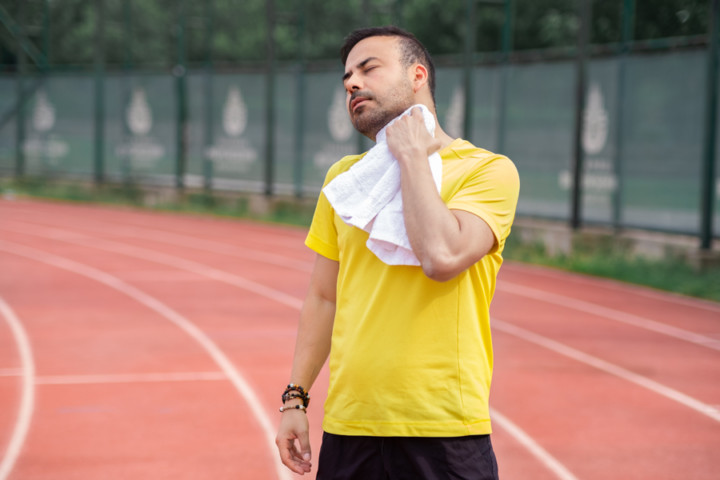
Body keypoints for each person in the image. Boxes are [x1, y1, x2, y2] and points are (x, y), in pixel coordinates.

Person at [275, 25, 520, 479]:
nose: (351, 82)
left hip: (443, 427)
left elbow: (442, 257)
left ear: (417, 75)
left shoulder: (486, 171)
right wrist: (296, 397)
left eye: (368, 69)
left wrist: (411, 156)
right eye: (346, 75)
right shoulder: (345, 180)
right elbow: (323, 298)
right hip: (350, 425)